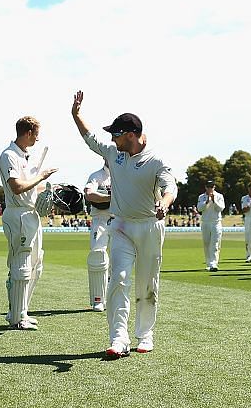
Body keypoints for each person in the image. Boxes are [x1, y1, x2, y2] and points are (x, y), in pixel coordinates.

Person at [71, 90, 177, 358]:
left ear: (130, 135)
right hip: (119, 226)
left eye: (116, 135)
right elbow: (90, 139)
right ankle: (119, 338)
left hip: (149, 227)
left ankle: (145, 334)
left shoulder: (156, 161)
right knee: (117, 280)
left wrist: (164, 204)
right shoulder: (113, 154)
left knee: (147, 283)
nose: (112, 140)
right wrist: (76, 115)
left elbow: (170, 187)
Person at [0, 116, 58, 330]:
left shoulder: (25, 156)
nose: (38, 138)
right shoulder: (9, 155)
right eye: (36, 134)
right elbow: (16, 187)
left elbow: (31, 188)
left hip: (31, 214)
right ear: (28, 132)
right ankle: (16, 318)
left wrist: (52, 190)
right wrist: (41, 176)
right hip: (18, 215)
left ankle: (21, 311)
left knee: (36, 265)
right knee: (21, 267)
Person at [84, 160, 113, 312]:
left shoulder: (124, 174)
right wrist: (111, 197)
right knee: (97, 255)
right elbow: (89, 195)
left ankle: (113, 297)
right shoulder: (96, 176)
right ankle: (98, 299)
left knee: (120, 259)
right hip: (100, 220)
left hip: (120, 220)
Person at [197, 180, 225, 271]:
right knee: (206, 243)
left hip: (216, 222)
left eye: (212, 187)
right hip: (205, 222)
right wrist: (207, 202)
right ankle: (208, 263)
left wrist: (214, 201)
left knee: (215, 243)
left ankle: (214, 263)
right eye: (209, 187)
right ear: (206, 187)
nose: (210, 189)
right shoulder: (201, 197)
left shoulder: (219, 196)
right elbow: (199, 208)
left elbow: (221, 208)